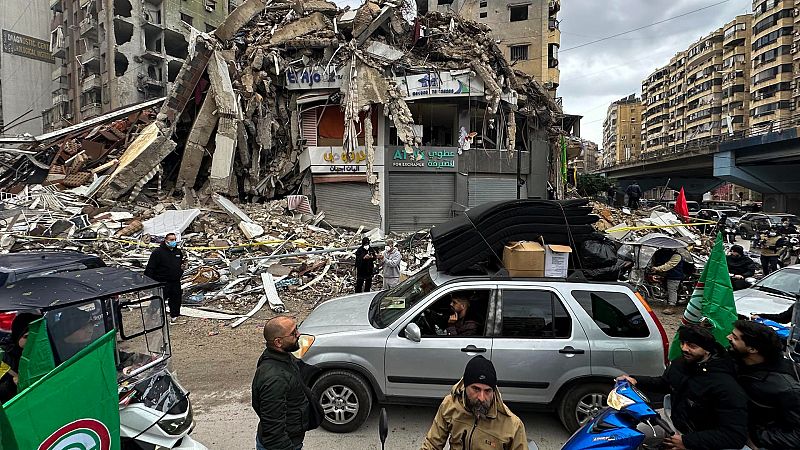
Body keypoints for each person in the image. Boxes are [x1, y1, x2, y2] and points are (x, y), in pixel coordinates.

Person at [617, 324, 749, 450]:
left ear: (707, 350)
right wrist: (635, 380)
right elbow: (666, 384)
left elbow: (734, 435)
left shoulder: (725, 385)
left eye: (692, 346)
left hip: (700, 440)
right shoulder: (681, 363)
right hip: (672, 424)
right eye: (682, 343)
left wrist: (687, 442)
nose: (684, 348)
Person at [421, 355, 527, 450]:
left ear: (493, 391)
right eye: (476, 389)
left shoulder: (513, 425)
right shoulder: (449, 405)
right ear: (465, 386)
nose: (481, 398)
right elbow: (432, 444)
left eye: (487, 391)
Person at [728, 320, 800, 449]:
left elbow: (796, 436)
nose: (729, 338)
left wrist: (755, 436)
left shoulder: (786, 388)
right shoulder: (739, 359)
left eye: (735, 338)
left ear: (752, 349)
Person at [252, 316, 308, 450]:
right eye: (293, 333)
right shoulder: (274, 379)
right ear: (278, 342)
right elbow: (274, 432)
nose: (298, 334)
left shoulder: (282, 356)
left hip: (292, 438)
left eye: (297, 329)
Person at [144, 232, 186, 324]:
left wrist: (180, 272)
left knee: (176, 300)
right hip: (161, 282)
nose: (173, 242)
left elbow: (180, 265)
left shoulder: (178, 252)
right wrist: (148, 282)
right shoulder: (157, 252)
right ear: (166, 240)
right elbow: (150, 267)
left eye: (174, 240)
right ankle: (150, 316)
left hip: (175, 281)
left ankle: (174, 317)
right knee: (157, 300)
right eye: (171, 240)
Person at [0, 313, 41, 403]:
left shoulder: (42, 348)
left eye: (35, 334)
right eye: (26, 336)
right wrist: (11, 384)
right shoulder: (3, 357)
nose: (31, 339)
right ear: (17, 337)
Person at [651, 248, 685, 315]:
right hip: (665, 274)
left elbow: (669, 265)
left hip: (674, 275)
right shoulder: (659, 253)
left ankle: (671, 306)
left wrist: (657, 268)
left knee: (672, 290)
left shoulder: (677, 256)